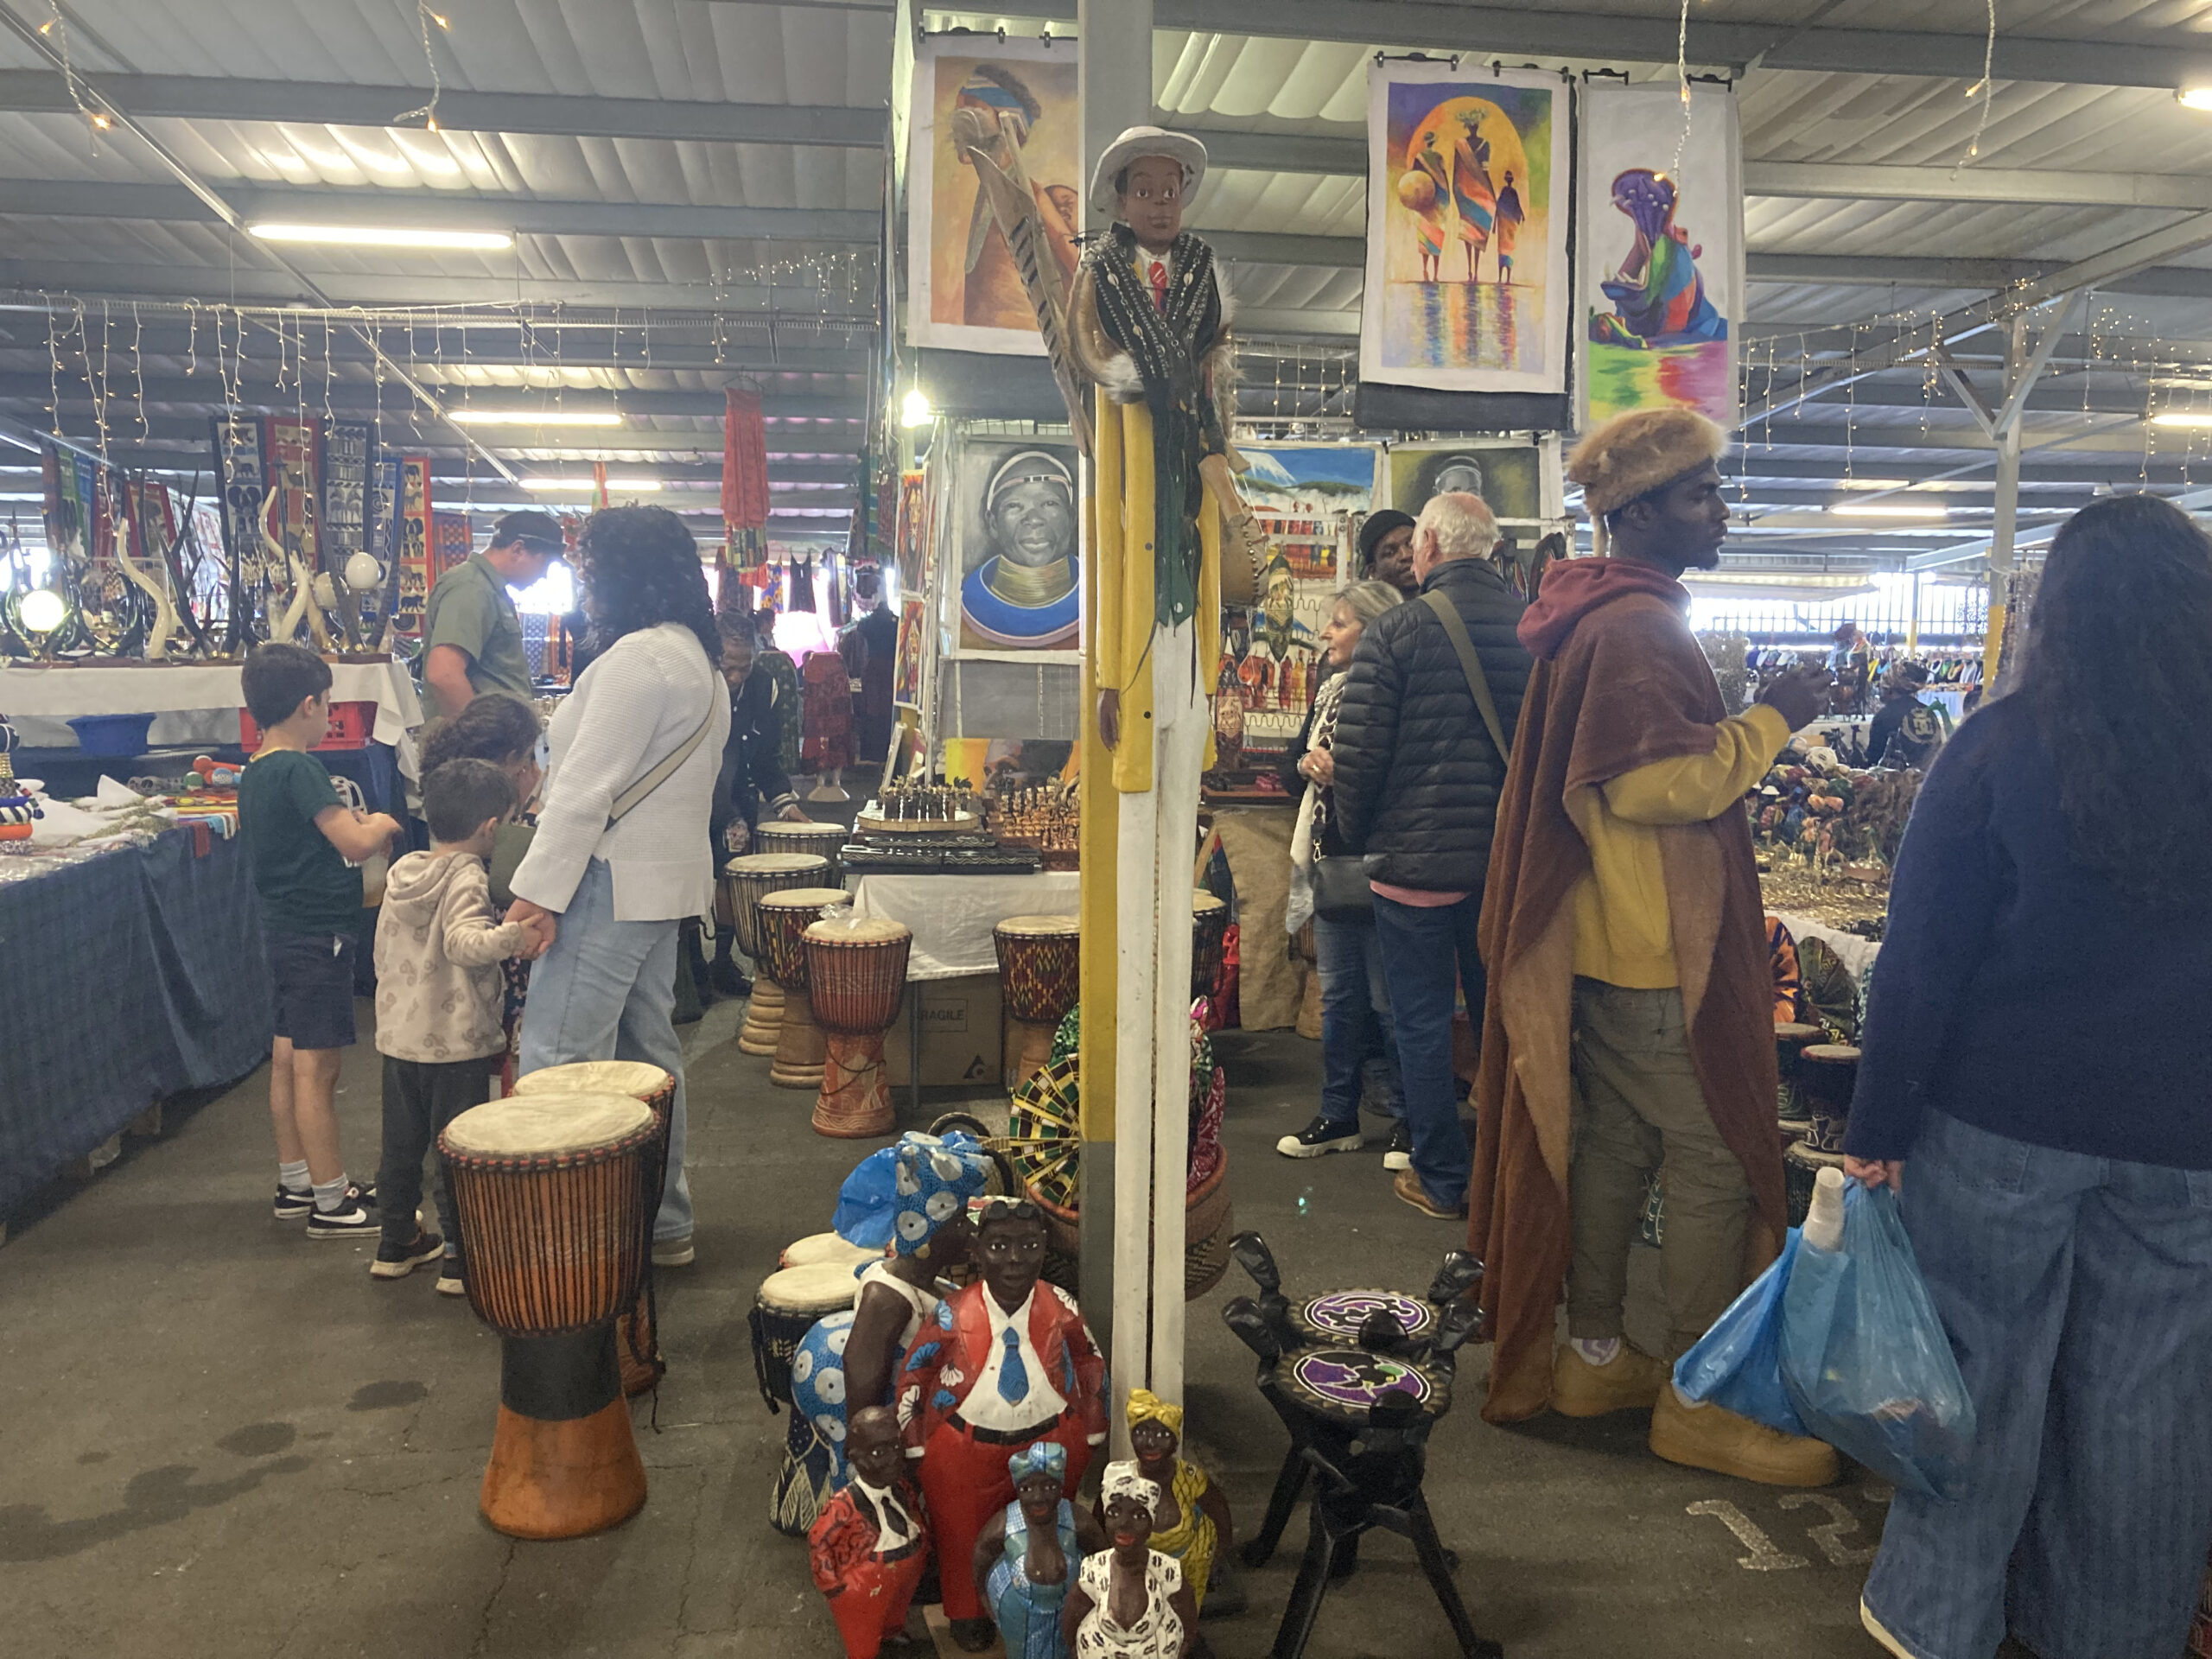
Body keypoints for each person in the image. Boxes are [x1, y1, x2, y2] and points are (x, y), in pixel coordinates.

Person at [1844, 494, 2212, 1659]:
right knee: (2147, 1413)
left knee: (1977, 1385)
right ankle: (2117, 1635)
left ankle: (1938, 1622)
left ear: (2055, 612)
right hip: (2187, 1144)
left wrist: (1877, 1125)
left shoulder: (1998, 747)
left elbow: (1920, 960)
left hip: (1997, 1129)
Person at [1465, 407, 1836, 1489]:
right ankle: (1698, 1395)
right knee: (1717, 1156)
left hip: (1605, 952)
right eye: (1698, 494)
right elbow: (1653, 785)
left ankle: (1593, 1359)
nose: (1719, 512)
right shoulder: (1634, 627)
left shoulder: (1600, 613)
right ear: (1634, 514)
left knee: (1618, 1148)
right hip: (1653, 960)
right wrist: (1772, 719)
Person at [1069, 125, 1262, 1411]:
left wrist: (1196, 416)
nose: (1157, 200)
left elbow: (1217, 365)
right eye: (1142, 185)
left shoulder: (1201, 277)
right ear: (1118, 195)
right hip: (1132, 492)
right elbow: (1095, 355)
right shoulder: (1103, 274)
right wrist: (1127, 394)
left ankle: (1156, 1383)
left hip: (1181, 505)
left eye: (1171, 186)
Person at [507, 505, 730, 1269]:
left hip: (607, 878)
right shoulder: (699, 663)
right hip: (661, 887)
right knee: (649, 1062)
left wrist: (537, 894)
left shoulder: (639, 659)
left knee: (560, 1062)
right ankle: (663, 1223)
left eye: (592, 570)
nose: (586, 586)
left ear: (624, 575)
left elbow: (582, 791)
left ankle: (558, 1245)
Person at [1329, 493, 1533, 1220]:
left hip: (1414, 869)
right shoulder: (1534, 627)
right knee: (1502, 1021)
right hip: (1504, 867)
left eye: (1415, 543)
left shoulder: (1398, 632)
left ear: (1433, 547)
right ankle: (1511, 1177)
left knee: (1419, 1023)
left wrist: (1362, 838)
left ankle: (1443, 1178)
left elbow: (1359, 758)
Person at [238, 643, 402, 1238]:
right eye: (328, 704)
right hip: (317, 933)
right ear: (308, 705)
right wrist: (380, 824)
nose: (329, 715)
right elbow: (353, 843)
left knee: (288, 1056)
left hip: (283, 926)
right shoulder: (299, 768)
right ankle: (331, 1201)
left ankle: (297, 1181)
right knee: (318, 1067)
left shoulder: (256, 768)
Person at [899, 1197, 1109, 1650]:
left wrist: (1093, 1424)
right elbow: (915, 1370)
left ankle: (1058, 1601)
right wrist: (915, 1442)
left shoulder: (1061, 1306)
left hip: (1052, 1438)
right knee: (962, 1532)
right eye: (999, 1247)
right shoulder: (951, 1312)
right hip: (964, 1448)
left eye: (1029, 1246)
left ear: (1044, 1248)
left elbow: (1089, 1358)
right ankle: (967, 1609)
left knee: (1053, 1526)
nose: (1015, 1259)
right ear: (977, 1251)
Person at [370, 759, 543, 1294]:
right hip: (455, 1042)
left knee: (400, 1148)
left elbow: (383, 953)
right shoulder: (468, 876)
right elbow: (463, 945)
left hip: (400, 1038)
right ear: (491, 828)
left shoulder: (403, 874)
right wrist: (514, 936)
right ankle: (460, 1260)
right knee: (456, 1150)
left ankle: (395, 1242)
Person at [1279, 580, 1410, 1167]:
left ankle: (1412, 1120)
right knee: (1339, 1000)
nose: (1326, 634)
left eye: (1339, 623)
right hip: (1331, 864)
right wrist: (1306, 764)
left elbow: (1404, 779)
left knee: (1389, 1003)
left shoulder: (1398, 691)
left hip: (1384, 865)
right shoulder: (1329, 691)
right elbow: (1293, 765)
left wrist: (1344, 775)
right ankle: (1338, 1115)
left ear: (1372, 631)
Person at [709, 611, 806, 995]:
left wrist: (786, 804)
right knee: (687, 880)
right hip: (693, 794)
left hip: (740, 797)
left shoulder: (765, 685)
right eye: (728, 667)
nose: (736, 677)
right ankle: (688, 966)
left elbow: (766, 757)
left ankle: (721, 962)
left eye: (744, 667)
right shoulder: (698, 680)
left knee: (731, 877)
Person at [808, 1406, 932, 1659]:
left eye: (896, 1446)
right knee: (862, 1634)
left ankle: (891, 1632)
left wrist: (923, 1542)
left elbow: (913, 1512)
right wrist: (836, 1588)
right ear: (856, 1457)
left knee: (895, 1611)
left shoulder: (902, 1488)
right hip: (866, 1581)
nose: (893, 1458)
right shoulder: (843, 1506)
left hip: (905, 1571)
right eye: (878, 1452)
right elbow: (819, 1542)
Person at [420, 509, 563, 718]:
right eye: (545, 564)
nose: (544, 575)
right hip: (481, 737)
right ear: (518, 550)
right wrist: (481, 732)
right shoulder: (472, 587)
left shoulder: (488, 589)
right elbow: (444, 673)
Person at [974, 1441, 1109, 1659]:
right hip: (1019, 1621)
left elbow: (1104, 1559)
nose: (1038, 1498)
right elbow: (981, 1558)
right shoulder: (1004, 1525)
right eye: (1027, 1489)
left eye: (1049, 1487)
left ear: (1061, 1486)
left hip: (1068, 1616)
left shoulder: (1077, 1521)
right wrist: (987, 1603)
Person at [1104, 1390, 1232, 1613]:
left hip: (1188, 1573)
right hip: (1137, 1576)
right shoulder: (1120, 1481)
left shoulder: (1191, 1479)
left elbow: (1220, 1515)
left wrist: (1218, 1557)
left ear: (1175, 1443)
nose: (1150, 1443)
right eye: (1141, 1432)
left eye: (1163, 1435)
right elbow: (1100, 1529)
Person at [1063, 1462, 1200, 1658]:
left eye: (1138, 1515)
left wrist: (1178, 1650)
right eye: (1114, 1513)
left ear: (1151, 1524)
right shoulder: (1094, 1569)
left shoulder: (1167, 1571)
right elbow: (1071, 1622)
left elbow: (1189, 1623)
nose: (1124, 1524)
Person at [961, 450, 1080, 649]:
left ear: (1072, 517)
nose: (1034, 519)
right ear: (993, 523)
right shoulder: (961, 620)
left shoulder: (1104, 607)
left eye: (1049, 503)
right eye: (1015, 506)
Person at [846, 584, 900, 765]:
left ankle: (871, 751)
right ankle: (886, 748)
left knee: (871, 708)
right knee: (887, 708)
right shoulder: (896, 623)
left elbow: (860, 630)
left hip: (872, 668)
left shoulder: (866, 623)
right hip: (891, 668)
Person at [1865, 661, 1945, 769]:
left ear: (1890, 690)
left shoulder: (1884, 716)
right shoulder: (1929, 712)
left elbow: (1874, 759)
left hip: (1898, 777)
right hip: (1931, 774)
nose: (1880, 691)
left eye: (1882, 687)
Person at [1356, 509, 1419, 595]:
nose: (1406, 555)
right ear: (1374, 571)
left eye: (1410, 544)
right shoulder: (1366, 604)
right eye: (1390, 553)